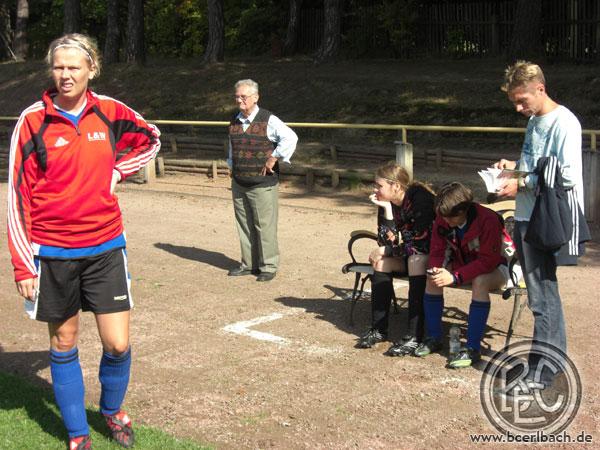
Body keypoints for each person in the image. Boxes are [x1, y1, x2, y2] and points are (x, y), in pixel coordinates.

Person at [7, 33, 161, 449]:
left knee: (118, 343)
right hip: (53, 253)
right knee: (64, 341)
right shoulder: (33, 121)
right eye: (59, 67)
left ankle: (112, 411)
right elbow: (17, 197)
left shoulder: (110, 111)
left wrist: (120, 170)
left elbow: (151, 139)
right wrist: (23, 266)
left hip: (106, 248)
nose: (66, 75)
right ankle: (77, 433)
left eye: (74, 67)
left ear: (92, 69)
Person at [494, 61, 587, 384]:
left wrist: (521, 182)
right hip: (524, 215)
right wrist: (514, 167)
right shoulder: (534, 120)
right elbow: (537, 164)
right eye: (514, 102)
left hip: (544, 218)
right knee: (543, 293)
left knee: (541, 297)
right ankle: (551, 362)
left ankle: (543, 371)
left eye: (522, 100)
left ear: (540, 89)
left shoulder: (565, 123)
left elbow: (567, 175)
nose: (519, 108)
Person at [414, 182, 509, 369]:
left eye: (451, 217)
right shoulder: (444, 215)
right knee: (433, 277)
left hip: (498, 267)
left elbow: (488, 261)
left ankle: (473, 348)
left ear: (464, 209)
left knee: (480, 281)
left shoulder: (488, 219)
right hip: (464, 262)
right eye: (443, 217)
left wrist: (455, 277)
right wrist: (437, 270)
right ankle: (433, 337)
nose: (446, 221)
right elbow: (437, 251)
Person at [357, 162, 436, 356]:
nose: (375, 189)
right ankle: (379, 329)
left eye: (379, 185)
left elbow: (421, 244)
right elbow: (385, 242)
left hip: (436, 256)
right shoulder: (389, 201)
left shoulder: (420, 200)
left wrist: (388, 249)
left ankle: (414, 336)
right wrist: (387, 210)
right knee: (381, 263)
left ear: (396, 186)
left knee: (415, 260)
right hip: (411, 254)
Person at [227, 79, 298, 282]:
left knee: (264, 225)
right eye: (237, 97)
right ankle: (248, 264)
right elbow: (232, 146)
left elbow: (291, 138)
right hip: (239, 182)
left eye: (243, 96)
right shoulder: (234, 120)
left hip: (262, 184)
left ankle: (268, 266)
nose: (239, 100)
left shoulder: (269, 119)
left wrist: (274, 158)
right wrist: (231, 166)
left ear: (255, 97)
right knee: (244, 225)